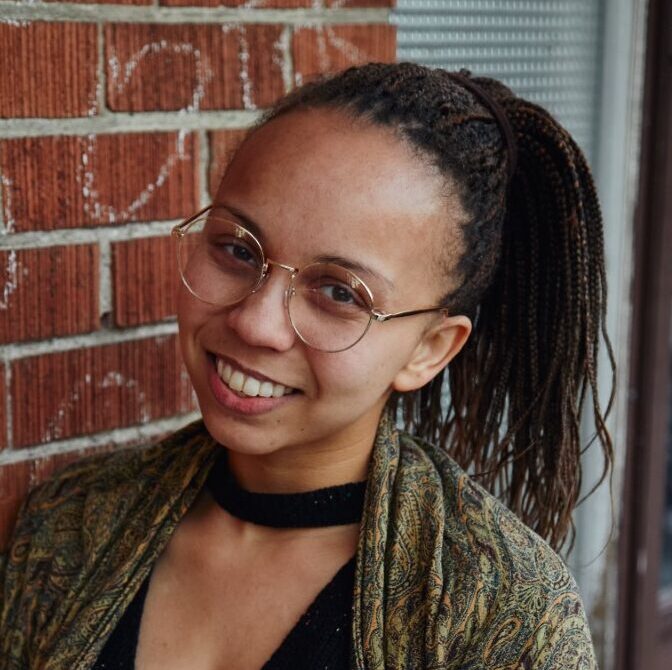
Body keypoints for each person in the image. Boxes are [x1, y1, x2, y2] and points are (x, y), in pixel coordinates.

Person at [0, 61, 615, 669]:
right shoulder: (72, 526)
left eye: (340, 292)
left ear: (430, 349)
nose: (254, 323)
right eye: (239, 250)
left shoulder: (498, 616)